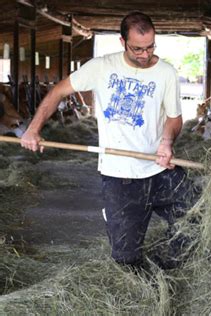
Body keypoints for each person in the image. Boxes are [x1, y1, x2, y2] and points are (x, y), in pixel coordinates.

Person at [21, 11, 196, 270]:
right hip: (119, 176)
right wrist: (33, 129)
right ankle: (117, 223)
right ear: (122, 42)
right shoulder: (102, 67)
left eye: (150, 47)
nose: (145, 55)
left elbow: (174, 118)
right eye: (137, 49)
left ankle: (170, 266)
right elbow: (58, 91)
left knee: (197, 214)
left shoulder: (166, 73)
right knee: (126, 259)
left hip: (159, 169)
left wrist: (167, 141)